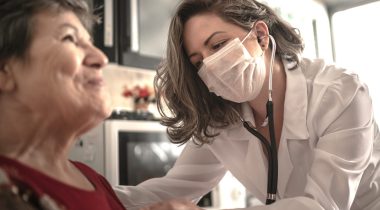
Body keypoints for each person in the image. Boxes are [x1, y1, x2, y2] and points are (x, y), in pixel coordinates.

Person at [114, 0, 380, 210]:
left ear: (261, 36)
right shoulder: (219, 117)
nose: (210, 65)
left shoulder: (339, 95)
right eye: (197, 62)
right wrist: (86, 189)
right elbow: (171, 190)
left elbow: (322, 205)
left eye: (218, 45)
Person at [0, 0, 125, 209]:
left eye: (91, 42)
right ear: (5, 70)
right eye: (70, 38)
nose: (101, 58)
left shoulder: (92, 178)